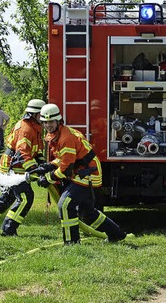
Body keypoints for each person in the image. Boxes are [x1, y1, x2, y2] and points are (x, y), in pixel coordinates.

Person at [37, 103, 126, 244]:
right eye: (45, 122)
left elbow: (66, 168)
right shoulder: (53, 135)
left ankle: (71, 242)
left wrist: (49, 178)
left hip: (89, 174)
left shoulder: (66, 137)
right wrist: (48, 166)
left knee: (65, 204)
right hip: (81, 173)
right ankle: (116, 234)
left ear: (58, 121)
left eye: (51, 121)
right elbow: (63, 158)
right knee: (88, 213)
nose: (48, 125)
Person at [0, 99, 46, 236]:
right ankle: (9, 229)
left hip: (15, 165)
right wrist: (34, 170)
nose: (45, 118)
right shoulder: (26, 129)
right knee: (25, 197)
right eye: (42, 115)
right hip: (14, 166)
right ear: (34, 114)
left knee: (7, 198)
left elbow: (35, 150)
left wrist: (42, 163)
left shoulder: (35, 127)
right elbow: (22, 153)